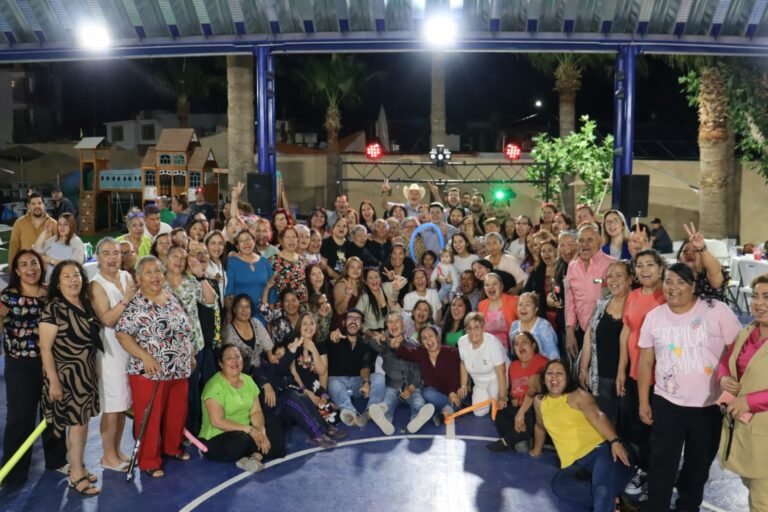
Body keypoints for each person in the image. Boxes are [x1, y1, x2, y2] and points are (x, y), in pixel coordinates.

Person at [637, 263, 741, 512]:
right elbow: (645, 361)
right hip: (667, 403)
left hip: (708, 406)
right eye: (668, 281)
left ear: (694, 286)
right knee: (661, 466)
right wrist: (643, 401)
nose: (673, 287)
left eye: (681, 282)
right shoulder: (654, 317)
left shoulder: (716, 310)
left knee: (697, 468)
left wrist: (730, 389)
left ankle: (688, 507)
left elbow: (738, 350)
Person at [115, 256, 195, 478]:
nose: (154, 277)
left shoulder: (170, 296)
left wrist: (189, 353)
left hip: (178, 368)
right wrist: (145, 357)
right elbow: (122, 334)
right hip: (150, 373)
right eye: (148, 272)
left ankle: (172, 447)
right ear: (139, 278)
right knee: (149, 418)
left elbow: (183, 328)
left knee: (176, 412)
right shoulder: (136, 304)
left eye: (158, 271)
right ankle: (148, 460)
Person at [0, 250, 68, 486]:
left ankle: (57, 460)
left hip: (51, 362)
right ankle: (13, 472)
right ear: (17, 271)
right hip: (20, 365)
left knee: (54, 413)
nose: (30, 268)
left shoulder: (50, 294)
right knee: (20, 417)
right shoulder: (7, 297)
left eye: (34, 263)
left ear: (41, 267)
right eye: (24, 265)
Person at [531, 359, 633, 512]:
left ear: (567, 378)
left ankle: (607, 497)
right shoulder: (539, 402)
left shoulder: (578, 395)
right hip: (574, 465)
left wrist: (615, 441)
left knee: (602, 488)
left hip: (602, 450)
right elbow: (540, 427)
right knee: (560, 486)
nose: (554, 377)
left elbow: (598, 415)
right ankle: (613, 500)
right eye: (549, 373)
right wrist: (536, 451)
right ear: (544, 379)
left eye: (559, 373)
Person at [39, 261, 101, 496]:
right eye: (66, 276)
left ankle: (78, 465)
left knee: (80, 426)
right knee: (77, 427)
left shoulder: (85, 304)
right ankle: (76, 475)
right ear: (57, 283)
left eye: (76, 275)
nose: (73, 280)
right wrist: (54, 381)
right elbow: (45, 349)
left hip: (85, 375)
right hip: (66, 378)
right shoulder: (53, 309)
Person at [717, 273, 768, 511]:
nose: (759, 303)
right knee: (752, 487)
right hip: (745, 432)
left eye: (767, 297)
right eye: (755, 296)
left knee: (762, 501)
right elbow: (726, 361)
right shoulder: (749, 331)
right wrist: (724, 378)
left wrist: (751, 401)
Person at [89, 238, 135, 472]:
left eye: (116, 253)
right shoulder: (96, 285)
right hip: (110, 353)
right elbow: (107, 319)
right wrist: (126, 300)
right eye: (106, 253)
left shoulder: (126, 276)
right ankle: (108, 456)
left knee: (123, 404)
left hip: (129, 349)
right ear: (98, 257)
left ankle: (116, 450)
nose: (112, 258)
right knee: (112, 407)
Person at [199, 344, 283, 472]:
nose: (234, 361)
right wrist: (250, 430)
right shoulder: (214, 386)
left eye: (237, 357)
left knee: (274, 421)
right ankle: (259, 451)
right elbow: (217, 421)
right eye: (229, 358)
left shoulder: (248, 380)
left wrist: (261, 431)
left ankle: (255, 457)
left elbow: (256, 411)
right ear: (221, 364)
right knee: (241, 441)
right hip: (218, 437)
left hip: (246, 431)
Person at [578, 261, 632, 426]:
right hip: (601, 375)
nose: (613, 280)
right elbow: (589, 336)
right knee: (606, 422)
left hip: (629, 377)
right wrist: (584, 368)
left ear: (630, 279)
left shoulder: (636, 304)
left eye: (619, 275)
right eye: (610, 276)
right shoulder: (602, 304)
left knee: (628, 424)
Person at [366, 314, 436, 435]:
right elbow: (371, 343)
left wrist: (411, 388)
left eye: (396, 321)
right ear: (387, 326)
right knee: (387, 404)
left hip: (412, 387)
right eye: (390, 322)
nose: (393, 325)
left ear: (403, 324)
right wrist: (380, 338)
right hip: (392, 386)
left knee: (418, 402)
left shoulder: (414, 345)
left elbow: (418, 371)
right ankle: (385, 421)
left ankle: (416, 420)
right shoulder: (384, 345)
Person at [487, 331, 548, 453]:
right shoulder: (513, 366)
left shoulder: (541, 362)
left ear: (533, 346)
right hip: (519, 409)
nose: (520, 346)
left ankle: (507, 441)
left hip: (535, 409)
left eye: (524, 343)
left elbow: (532, 391)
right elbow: (513, 393)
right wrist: (506, 399)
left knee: (532, 411)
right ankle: (521, 438)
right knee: (498, 410)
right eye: (516, 344)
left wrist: (521, 413)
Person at [565, 223, 615, 366]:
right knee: (583, 374)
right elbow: (570, 301)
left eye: (589, 240)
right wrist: (570, 331)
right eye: (581, 240)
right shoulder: (572, 267)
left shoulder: (612, 264)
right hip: (581, 331)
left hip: (607, 333)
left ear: (600, 241)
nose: (584, 244)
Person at [326, 309, 386, 427]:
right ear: (344, 322)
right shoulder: (334, 338)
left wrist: (366, 383)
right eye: (350, 318)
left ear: (361, 325)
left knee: (379, 377)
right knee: (333, 383)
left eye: (357, 319)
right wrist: (332, 338)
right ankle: (350, 413)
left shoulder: (365, 344)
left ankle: (371, 410)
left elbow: (365, 365)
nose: (353, 321)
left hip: (357, 382)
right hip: (338, 382)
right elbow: (329, 340)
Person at [395, 323, 462, 423]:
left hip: (455, 391)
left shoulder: (451, 352)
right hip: (438, 394)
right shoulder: (421, 353)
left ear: (437, 337)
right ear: (421, 342)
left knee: (459, 396)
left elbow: (455, 375)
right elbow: (406, 353)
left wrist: (452, 392)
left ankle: (444, 414)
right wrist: (396, 345)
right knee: (427, 393)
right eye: (424, 338)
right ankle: (452, 407)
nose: (428, 340)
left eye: (431, 336)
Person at [457, 312, 508, 416]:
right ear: (466, 330)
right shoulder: (462, 342)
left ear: (483, 328)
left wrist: (503, 397)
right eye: (469, 328)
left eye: (476, 327)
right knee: (478, 413)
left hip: (495, 379)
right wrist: (463, 385)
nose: (473, 332)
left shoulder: (493, 344)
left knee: (496, 406)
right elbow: (463, 363)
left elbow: (501, 374)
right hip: (479, 383)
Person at [225, 230, 274, 325]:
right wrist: (229, 314)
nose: (246, 243)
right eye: (241, 241)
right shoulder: (232, 262)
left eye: (248, 239)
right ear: (237, 246)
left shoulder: (264, 262)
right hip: (240, 315)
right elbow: (229, 292)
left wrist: (270, 319)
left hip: (262, 315)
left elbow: (271, 292)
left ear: (254, 241)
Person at [677, 222, 727, 301]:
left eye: (695, 251)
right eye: (685, 251)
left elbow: (715, 271)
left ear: (703, 257)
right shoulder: (674, 277)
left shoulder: (709, 278)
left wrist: (702, 247)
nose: (689, 253)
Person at [32, 212, 85, 282]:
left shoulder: (76, 242)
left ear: (71, 225)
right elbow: (37, 249)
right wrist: (45, 231)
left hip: (67, 281)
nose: (62, 227)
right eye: (59, 224)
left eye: (65, 224)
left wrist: (50, 260)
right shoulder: (55, 238)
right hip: (51, 279)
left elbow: (75, 265)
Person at [8, 192, 57, 264]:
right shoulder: (19, 223)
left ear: (43, 204)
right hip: (26, 266)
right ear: (28, 206)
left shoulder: (53, 224)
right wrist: (11, 266)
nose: (37, 206)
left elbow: (60, 247)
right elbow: (13, 247)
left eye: (39, 203)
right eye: (33, 204)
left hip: (47, 266)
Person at [509, 292, 559, 360]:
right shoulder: (514, 326)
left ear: (536, 309)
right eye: (520, 304)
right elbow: (513, 354)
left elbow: (553, 356)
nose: (523, 308)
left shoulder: (544, 326)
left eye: (527, 305)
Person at [478, 273, 519, 350]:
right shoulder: (481, 305)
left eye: (495, 284)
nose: (491, 287)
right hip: (487, 348)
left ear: (501, 287)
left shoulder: (514, 301)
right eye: (487, 285)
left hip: (510, 349)